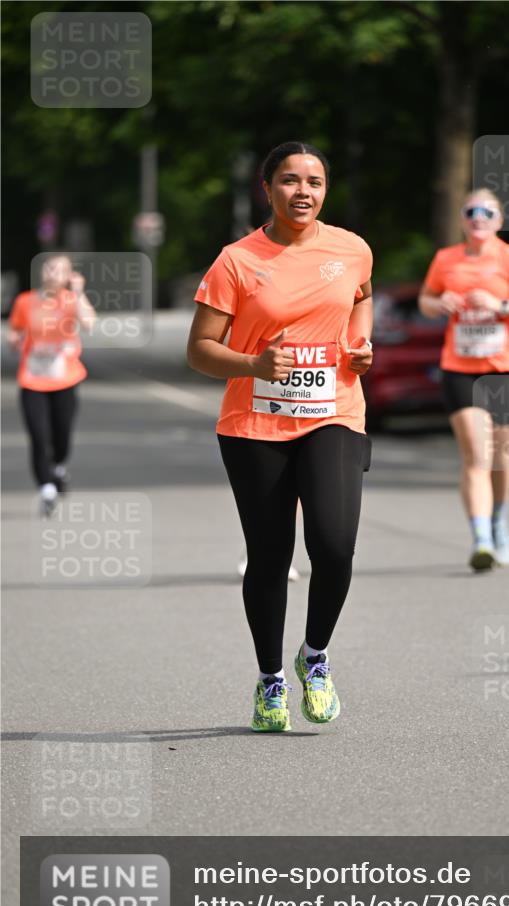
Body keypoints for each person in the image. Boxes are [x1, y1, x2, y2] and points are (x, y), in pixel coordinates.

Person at [187, 141, 373, 732]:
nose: (303, 192)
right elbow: (199, 350)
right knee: (270, 558)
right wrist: (253, 366)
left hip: (333, 412)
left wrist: (359, 346)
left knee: (335, 545)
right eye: (290, 181)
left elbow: (360, 302)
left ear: (326, 190)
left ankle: (313, 657)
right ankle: (270, 680)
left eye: (315, 182)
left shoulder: (351, 250)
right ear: (266, 189)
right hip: (255, 425)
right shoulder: (236, 261)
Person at [418, 189, 509, 571]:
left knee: (500, 458)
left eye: (486, 212)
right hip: (460, 369)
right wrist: (438, 304)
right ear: (462, 219)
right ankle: (480, 539)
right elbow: (426, 300)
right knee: (475, 456)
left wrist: (500, 305)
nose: (478, 218)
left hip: (507, 370)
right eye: (471, 212)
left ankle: (497, 522)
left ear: (498, 220)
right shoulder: (446, 260)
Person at [7, 254, 96, 517]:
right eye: (49, 267)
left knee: (62, 437)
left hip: (65, 379)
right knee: (38, 436)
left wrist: (78, 292)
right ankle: (46, 487)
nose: (52, 272)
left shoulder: (71, 300)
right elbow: (15, 329)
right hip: (32, 380)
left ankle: (58, 467)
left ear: (69, 275)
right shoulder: (26, 300)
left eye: (59, 269)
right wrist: (13, 339)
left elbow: (89, 322)